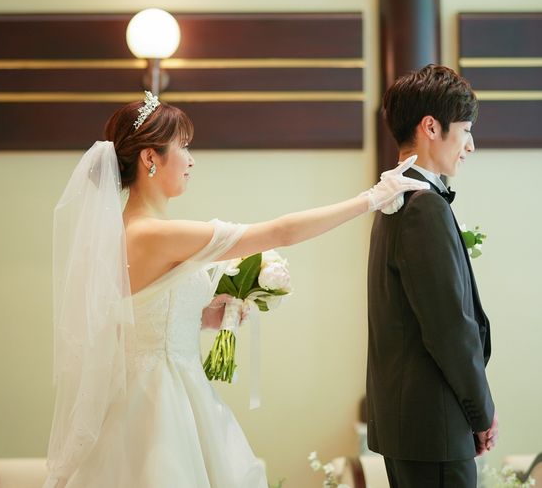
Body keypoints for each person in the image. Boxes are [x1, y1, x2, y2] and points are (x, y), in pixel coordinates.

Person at [44, 91, 429, 488]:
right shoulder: (153, 233)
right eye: (183, 147)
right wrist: (371, 198)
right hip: (161, 402)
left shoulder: (128, 231)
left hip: (154, 390)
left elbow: (141, 316)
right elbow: (280, 232)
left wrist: (203, 316)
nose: (191, 160)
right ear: (149, 158)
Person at [366, 64, 499, 488]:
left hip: (411, 426)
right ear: (430, 127)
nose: (470, 145)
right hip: (434, 426)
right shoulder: (423, 206)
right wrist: (481, 412)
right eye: (465, 130)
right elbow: (449, 327)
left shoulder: (394, 198)